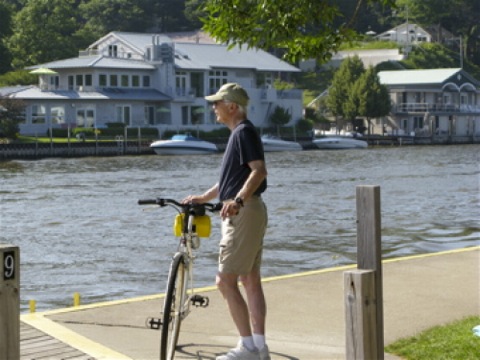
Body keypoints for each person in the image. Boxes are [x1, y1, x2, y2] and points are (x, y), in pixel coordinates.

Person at [183, 83, 270, 360]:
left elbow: (258, 171)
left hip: (242, 213)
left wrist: (238, 200)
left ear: (232, 106)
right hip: (248, 211)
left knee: (224, 281)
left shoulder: (243, 132)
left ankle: (247, 347)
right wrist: (205, 196)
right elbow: (230, 178)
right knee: (249, 279)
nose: (214, 108)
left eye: (217, 103)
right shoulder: (240, 134)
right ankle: (259, 347)